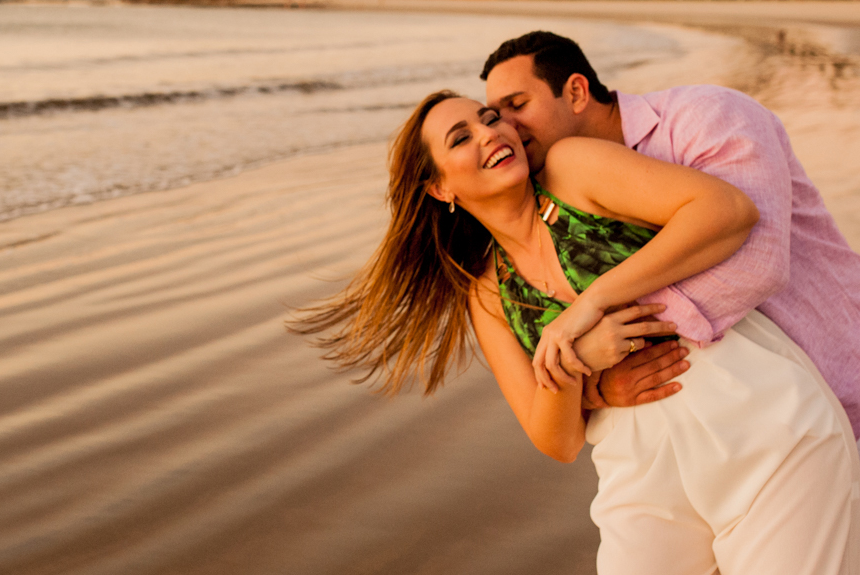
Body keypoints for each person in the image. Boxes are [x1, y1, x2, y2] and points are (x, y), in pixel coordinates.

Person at [292, 90, 859, 574]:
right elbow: (556, 439)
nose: (490, 134)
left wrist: (585, 309)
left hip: (757, 416)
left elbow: (727, 210)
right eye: (460, 138)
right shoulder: (487, 290)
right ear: (440, 188)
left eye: (490, 118)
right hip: (639, 469)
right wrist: (577, 364)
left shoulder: (573, 170)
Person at [480, 31, 860, 448]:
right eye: (494, 115)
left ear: (575, 92)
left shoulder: (706, 115)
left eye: (517, 106)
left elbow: (759, 262)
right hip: (738, 429)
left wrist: (597, 343)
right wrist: (593, 385)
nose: (505, 129)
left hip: (837, 372)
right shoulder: (555, 205)